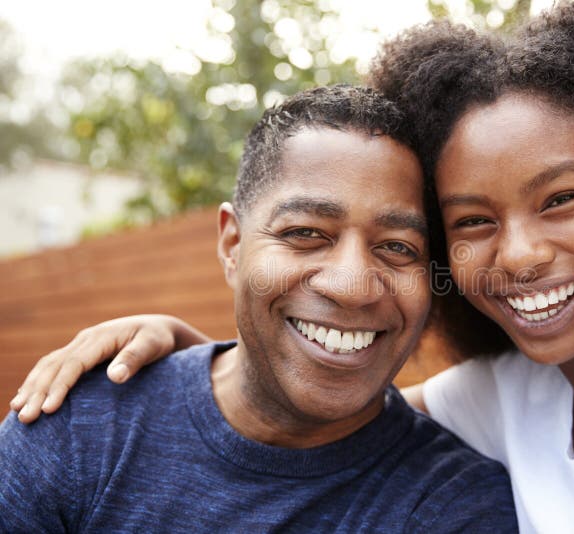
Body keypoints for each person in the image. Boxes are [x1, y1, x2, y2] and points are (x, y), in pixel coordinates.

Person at [11, 0, 574, 531]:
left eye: (561, 199)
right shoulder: (514, 394)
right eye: (472, 221)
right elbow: (326, 399)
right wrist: (189, 350)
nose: (518, 253)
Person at [0, 85, 518, 532]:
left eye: (398, 247)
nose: (352, 286)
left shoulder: (453, 504)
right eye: (305, 233)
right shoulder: (80, 427)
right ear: (232, 244)